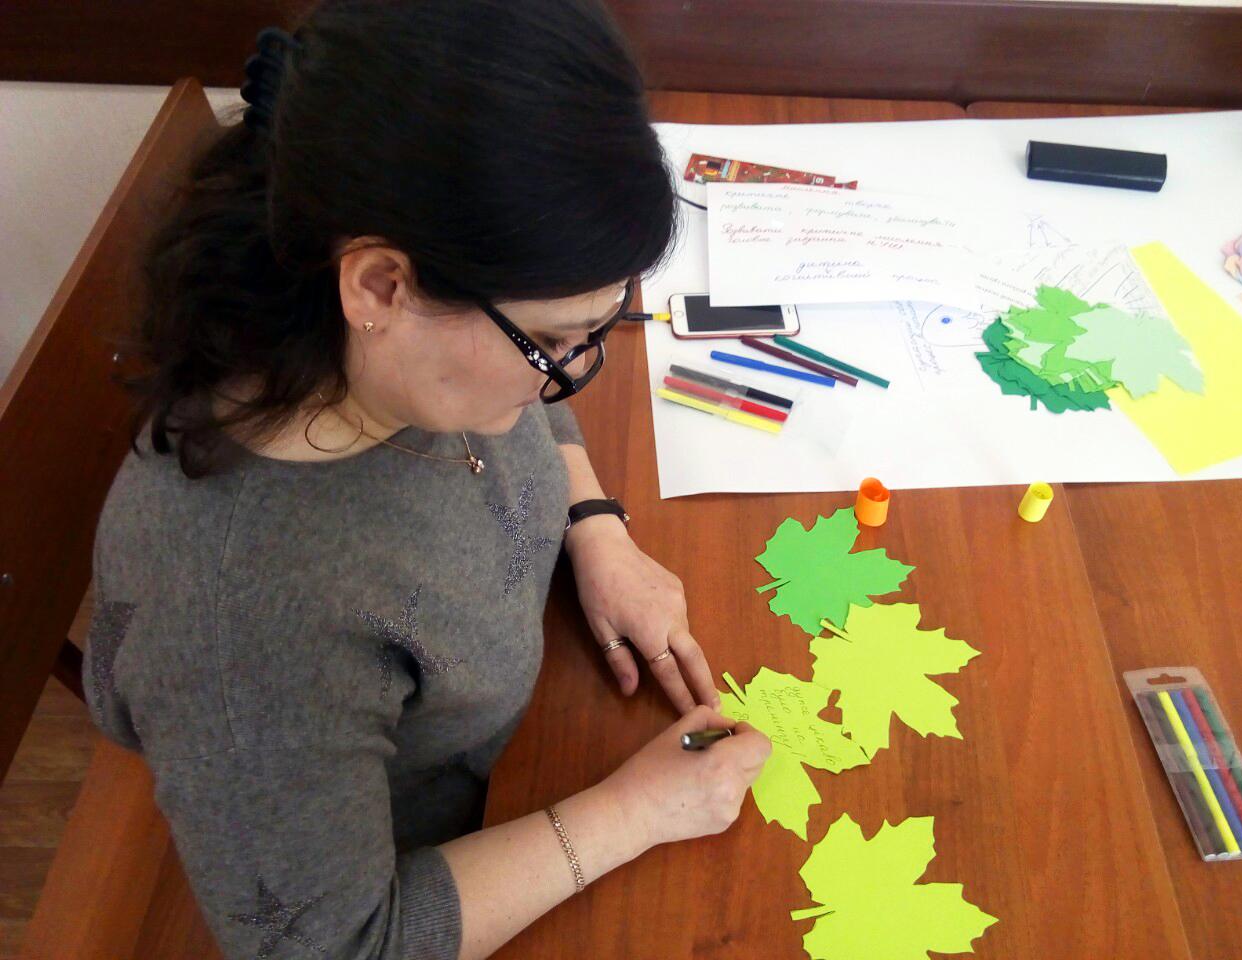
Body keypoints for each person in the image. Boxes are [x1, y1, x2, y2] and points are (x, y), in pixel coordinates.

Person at [82, 2, 770, 958]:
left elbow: (522, 380)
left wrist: (593, 524)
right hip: (431, 863)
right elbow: (343, 945)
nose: (565, 377)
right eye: (559, 340)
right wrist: (636, 812)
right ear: (380, 286)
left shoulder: (360, 328)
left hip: (528, 723)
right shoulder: (249, 629)